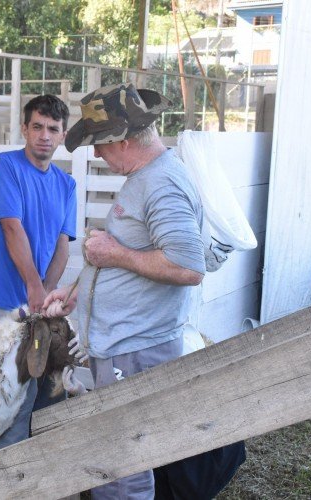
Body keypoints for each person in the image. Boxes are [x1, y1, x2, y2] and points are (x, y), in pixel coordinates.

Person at [44, 82, 206, 500]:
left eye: (99, 143)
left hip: (135, 349)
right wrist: (76, 291)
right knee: (117, 452)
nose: (96, 153)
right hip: (124, 346)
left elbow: (188, 267)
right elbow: (133, 255)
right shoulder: (147, 176)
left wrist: (113, 253)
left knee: (124, 463)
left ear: (124, 139)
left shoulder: (161, 184)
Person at [0, 94, 77, 451]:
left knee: (37, 389)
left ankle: (24, 471)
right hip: (6, 299)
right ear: (24, 128)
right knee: (8, 393)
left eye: (53, 129)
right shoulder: (5, 166)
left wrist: (47, 295)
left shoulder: (66, 184)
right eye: (37, 126)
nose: (44, 135)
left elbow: (63, 242)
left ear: (63, 135)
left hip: (39, 302)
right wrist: (34, 289)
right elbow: (11, 229)